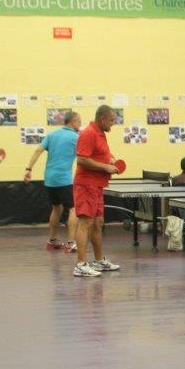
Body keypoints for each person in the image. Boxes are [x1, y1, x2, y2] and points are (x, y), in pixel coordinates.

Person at [71, 105, 124, 277]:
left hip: (97, 185)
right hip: (86, 185)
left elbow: (100, 153)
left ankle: (99, 260)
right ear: (102, 119)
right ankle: (80, 265)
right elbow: (82, 159)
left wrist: (111, 159)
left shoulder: (100, 133)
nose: (113, 123)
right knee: (85, 223)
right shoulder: (89, 133)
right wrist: (105, 167)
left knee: (98, 223)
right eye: (111, 120)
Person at [25, 111, 80, 251]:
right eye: (79, 122)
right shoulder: (76, 137)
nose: (80, 125)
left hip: (49, 179)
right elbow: (85, 157)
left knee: (56, 208)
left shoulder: (52, 135)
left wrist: (28, 169)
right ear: (73, 123)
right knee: (73, 209)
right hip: (64, 179)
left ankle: (52, 240)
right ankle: (71, 243)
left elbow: (38, 151)